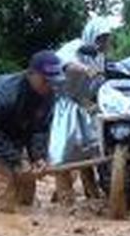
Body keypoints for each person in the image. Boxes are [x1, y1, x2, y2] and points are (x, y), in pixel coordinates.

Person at [0, 50, 63, 212]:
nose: (50, 86)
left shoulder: (49, 94)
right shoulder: (6, 93)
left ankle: (26, 229)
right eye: (46, 80)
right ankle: (2, 227)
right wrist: (17, 160)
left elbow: (40, 129)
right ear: (31, 74)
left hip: (19, 132)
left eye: (53, 81)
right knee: (5, 190)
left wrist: (39, 157)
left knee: (27, 189)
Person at [49, 17, 114, 205]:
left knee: (89, 148)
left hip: (84, 104)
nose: (104, 43)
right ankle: (65, 196)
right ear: (91, 36)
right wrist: (85, 69)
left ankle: (91, 191)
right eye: (101, 38)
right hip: (64, 104)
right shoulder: (75, 47)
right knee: (63, 151)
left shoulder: (100, 57)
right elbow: (65, 63)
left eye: (106, 38)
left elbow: (99, 81)